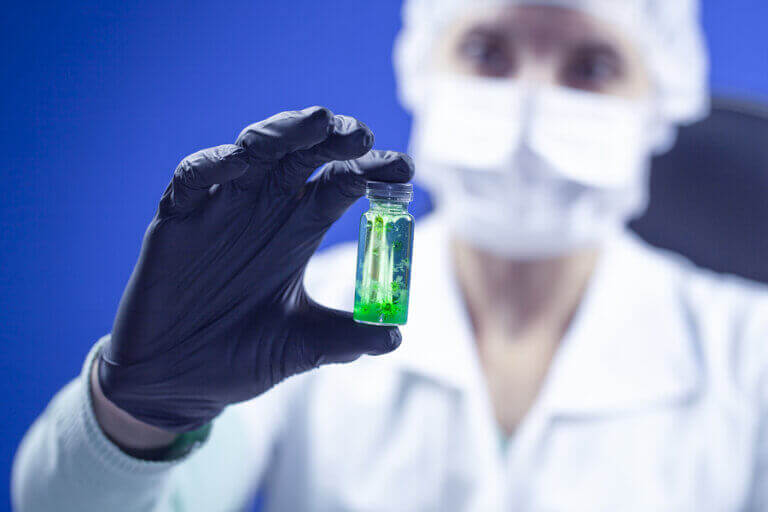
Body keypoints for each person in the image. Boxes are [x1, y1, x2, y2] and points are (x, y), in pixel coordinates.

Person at [12, 0, 768, 510]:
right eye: (487, 50)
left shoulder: (750, 349)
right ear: (424, 71)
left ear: (662, 99)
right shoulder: (285, 317)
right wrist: (137, 415)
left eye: (592, 67)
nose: (533, 100)